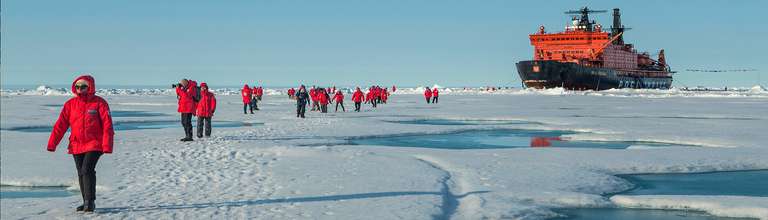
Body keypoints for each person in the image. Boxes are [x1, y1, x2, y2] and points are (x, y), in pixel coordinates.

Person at [47, 75, 114, 213]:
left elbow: (107, 126)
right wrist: (52, 143)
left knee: (87, 170)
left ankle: (90, 202)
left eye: (83, 86)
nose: (79, 89)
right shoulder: (70, 104)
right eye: (77, 87)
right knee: (81, 172)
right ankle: (85, 202)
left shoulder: (100, 103)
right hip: (76, 144)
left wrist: (107, 145)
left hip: (95, 143)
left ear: (90, 87)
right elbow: (60, 125)